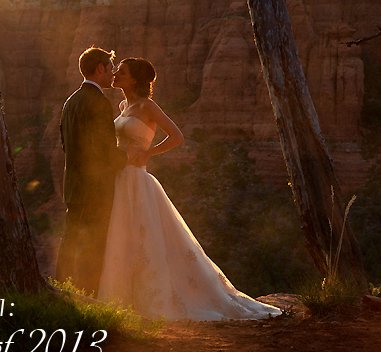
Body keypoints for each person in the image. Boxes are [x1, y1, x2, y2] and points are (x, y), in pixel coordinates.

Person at [99, 57, 281, 320]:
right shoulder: (122, 105)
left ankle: (155, 298)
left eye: (122, 72)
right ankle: (124, 298)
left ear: (135, 79)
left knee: (145, 237)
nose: (115, 73)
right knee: (123, 235)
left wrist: (149, 153)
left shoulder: (148, 106)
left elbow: (177, 136)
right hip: (120, 179)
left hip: (138, 179)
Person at [57, 46, 129, 294]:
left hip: (74, 187)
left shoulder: (71, 101)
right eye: (110, 69)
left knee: (71, 241)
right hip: (95, 189)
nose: (112, 75)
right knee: (94, 245)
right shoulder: (98, 102)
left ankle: (62, 289)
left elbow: (67, 144)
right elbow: (104, 150)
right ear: (100, 69)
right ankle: (90, 296)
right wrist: (128, 158)